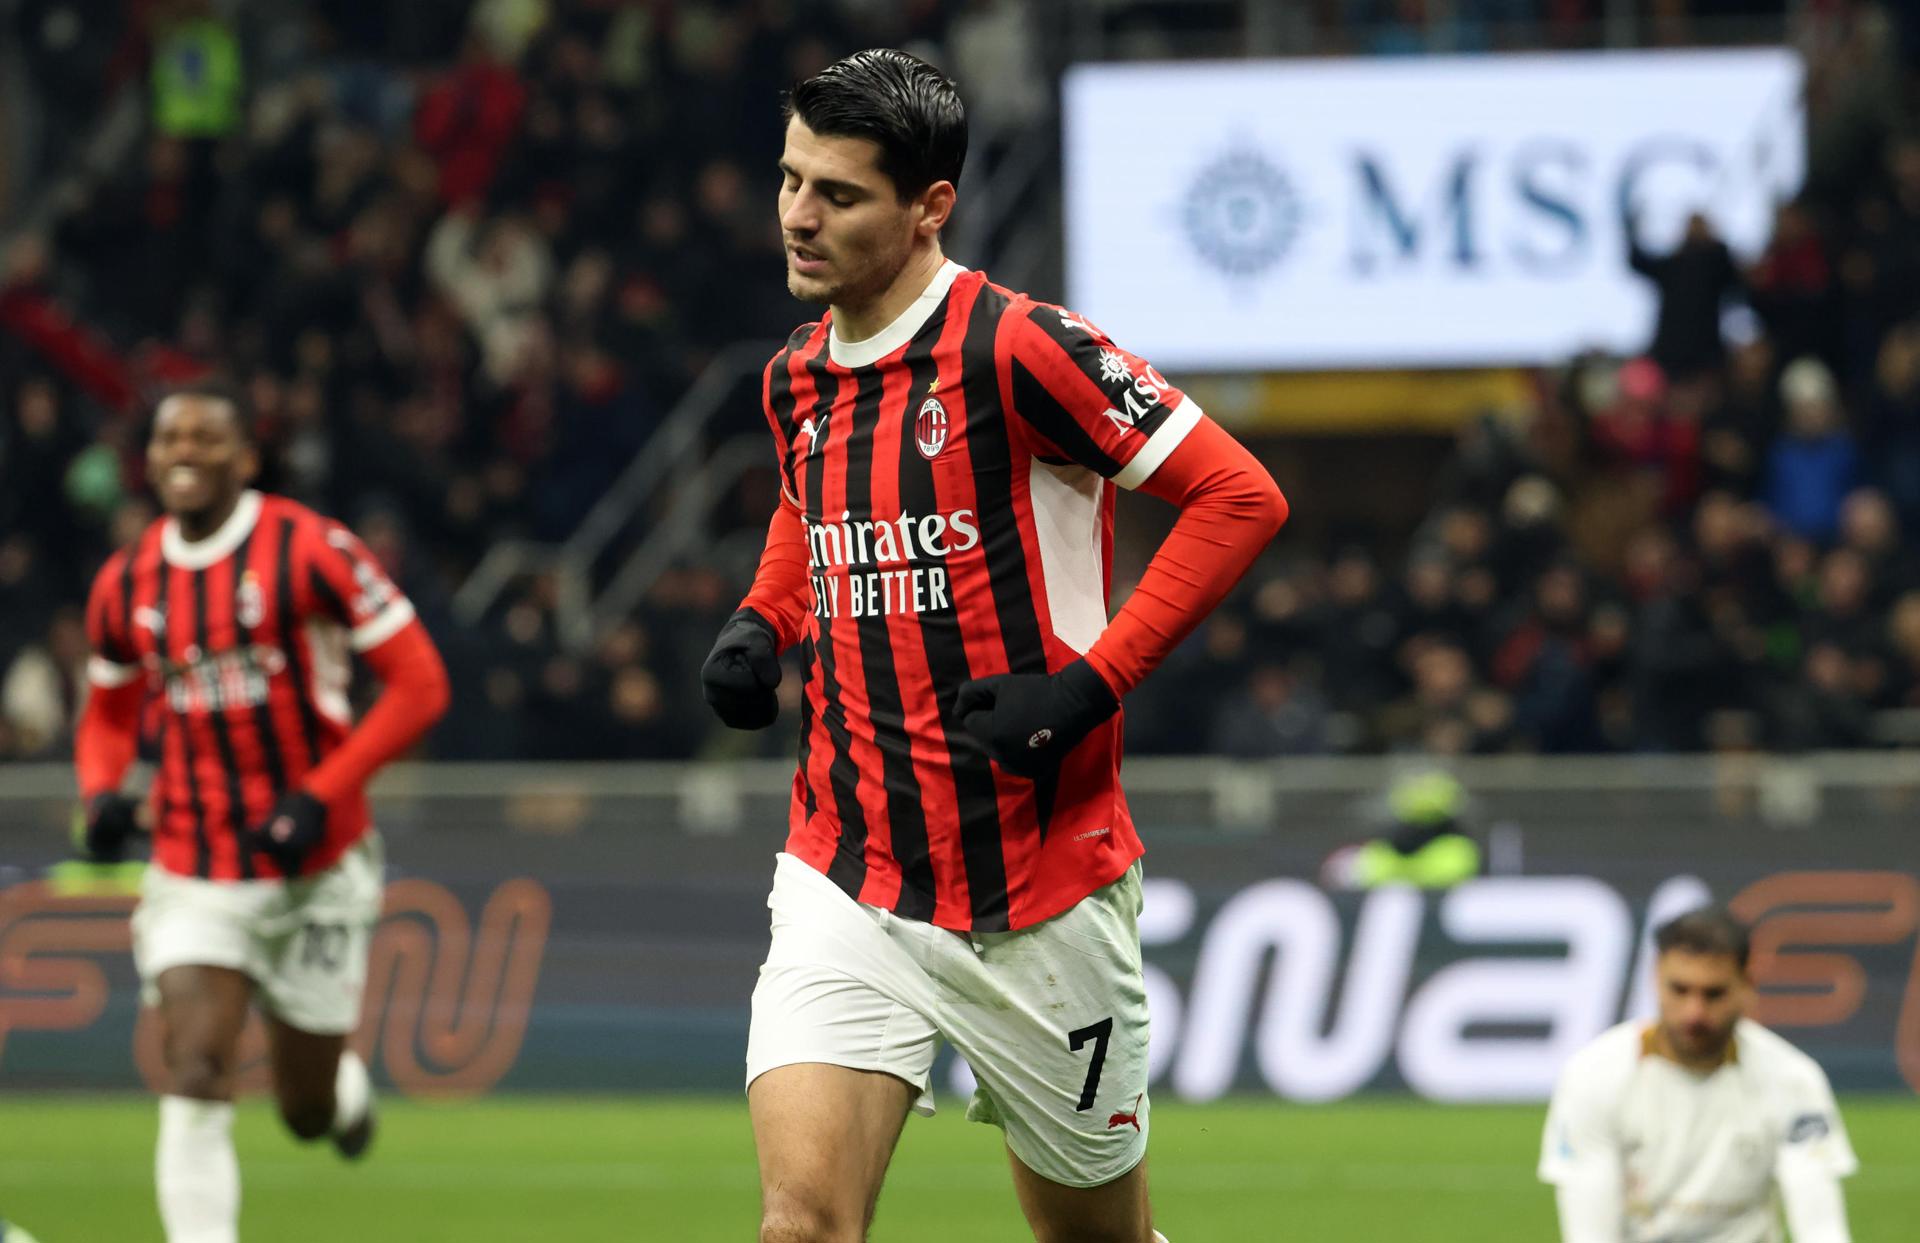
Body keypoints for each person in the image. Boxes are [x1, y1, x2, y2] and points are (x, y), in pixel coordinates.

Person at [699, 49, 1287, 1243]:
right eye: (790, 179)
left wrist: (1089, 685)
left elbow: (1240, 497)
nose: (799, 217)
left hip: (1041, 888)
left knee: (1092, 1238)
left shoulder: (1024, 349)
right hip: (849, 869)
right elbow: (810, 506)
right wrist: (767, 619)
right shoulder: (796, 377)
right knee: (799, 1225)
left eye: (839, 193)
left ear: (930, 208)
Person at [73, 383, 450, 1243]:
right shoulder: (126, 580)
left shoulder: (311, 548)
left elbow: (421, 684)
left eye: (207, 437)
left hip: (318, 866)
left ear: (245, 457)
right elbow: (106, 708)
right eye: (170, 435)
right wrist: (99, 791)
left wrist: (319, 794)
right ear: (150, 455)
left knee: (305, 1111)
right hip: (194, 862)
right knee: (197, 1063)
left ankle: (342, 1092)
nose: (185, 450)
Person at [1539, 908, 1857, 1243]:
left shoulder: (1793, 1080)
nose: (1695, 1013)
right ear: (1655, 976)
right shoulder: (1593, 1075)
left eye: (1714, 993)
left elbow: (1821, 1230)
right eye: (1679, 989)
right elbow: (1591, 1236)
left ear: (1747, 986)